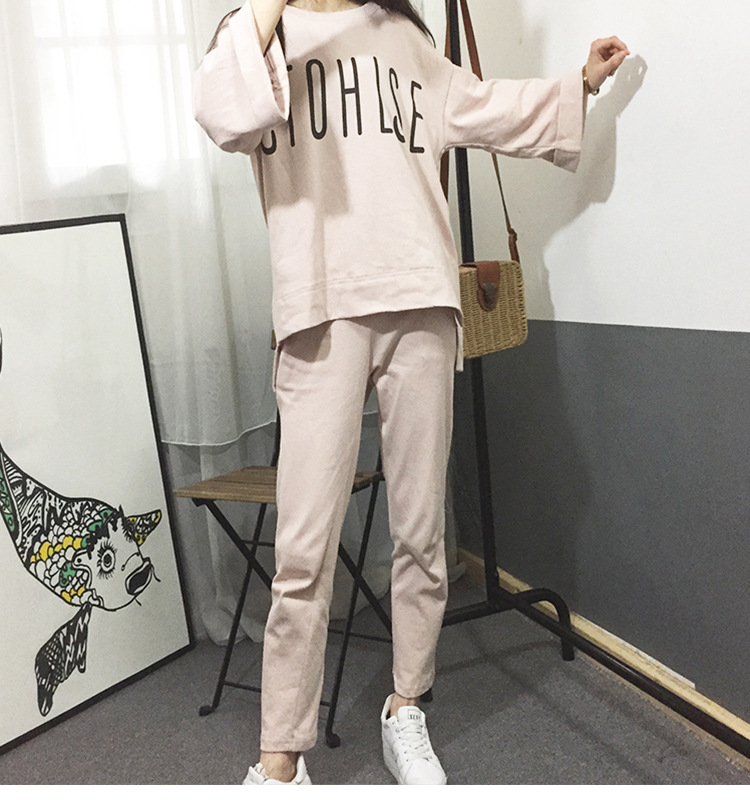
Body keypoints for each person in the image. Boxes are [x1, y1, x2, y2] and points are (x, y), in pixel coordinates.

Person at [193, 0, 628, 785]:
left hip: (421, 300)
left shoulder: (404, 36)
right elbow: (223, 113)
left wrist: (581, 84)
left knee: (422, 532)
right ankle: (280, 760)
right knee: (303, 551)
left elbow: (487, 106)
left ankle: (406, 707)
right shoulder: (259, 31)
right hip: (319, 306)